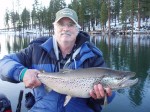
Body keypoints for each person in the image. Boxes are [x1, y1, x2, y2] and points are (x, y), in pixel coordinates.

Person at [0, 8, 115, 112]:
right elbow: (3, 63)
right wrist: (22, 73)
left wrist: (103, 96)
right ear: (54, 27)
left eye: (70, 24)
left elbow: (110, 96)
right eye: (61, 24)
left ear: (77, 28)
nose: (65, 28)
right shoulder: (35, 50)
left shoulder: (93, 56)